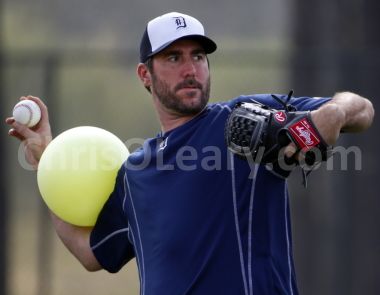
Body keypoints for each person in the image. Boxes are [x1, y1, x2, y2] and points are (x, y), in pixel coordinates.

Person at [6, 12, 374, 295]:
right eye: (173, 58)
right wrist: (46, 164)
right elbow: (90, 254)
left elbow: (362, 109)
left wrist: (334, 113)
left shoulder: (241, 119)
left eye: (198, 56)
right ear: (144, 75)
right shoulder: (134, 173)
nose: (190, 69)